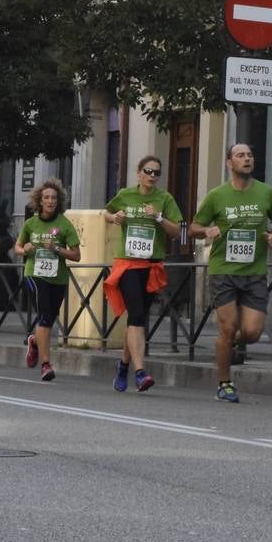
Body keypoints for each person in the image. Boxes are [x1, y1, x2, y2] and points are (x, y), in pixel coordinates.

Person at [191, 144, 272, 404]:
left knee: (252, 333)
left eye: (250, 155)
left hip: (254, 271)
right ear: (229, 163)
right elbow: (193, 227)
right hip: (224, 270)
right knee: (228, 327)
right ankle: (224, 383)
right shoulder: (216, 195)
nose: (247, 159)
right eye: (240, 155)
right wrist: (206, 231)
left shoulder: (266, 192)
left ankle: (227, 342)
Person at [100, 157, 184, 393]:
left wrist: (158, 217)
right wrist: (114, 217)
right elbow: (105, 212)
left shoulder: (164, 199)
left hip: (151, 265)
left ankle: (123, 365)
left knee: (137, 320)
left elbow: (178, 232)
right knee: (136, 315)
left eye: (156, 172)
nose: (152, 176)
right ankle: (140, 373)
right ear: (138, 173)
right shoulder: (126, 195)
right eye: (148, 171)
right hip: (128, 264)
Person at [16, 178, 81, 382]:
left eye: (53, 198)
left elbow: (76, 255)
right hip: (34, 274)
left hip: (57, 278)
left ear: (58, 201)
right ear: (40, 200)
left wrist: (57, 249)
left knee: (49, 319)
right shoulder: (30, 223)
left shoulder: (64, 224)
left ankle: (35, 341)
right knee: (44, 315)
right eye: (46, 197)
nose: (50, 201)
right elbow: (17, 247)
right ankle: (46, 365)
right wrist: (24, 249)